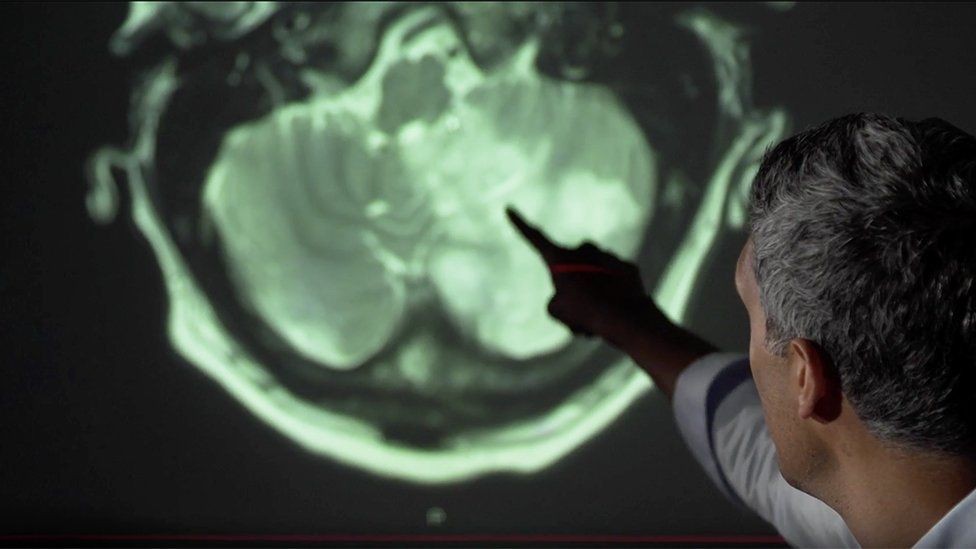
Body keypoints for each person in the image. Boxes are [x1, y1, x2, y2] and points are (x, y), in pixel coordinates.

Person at [506, 112, 976, 548]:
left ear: (805, 378)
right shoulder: (888, 505)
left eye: (749, 315)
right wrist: (625, 320)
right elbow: (752, 451)